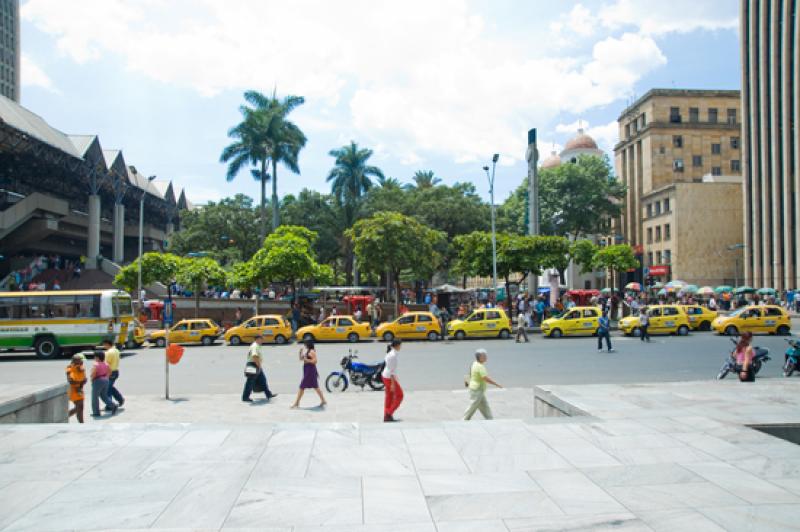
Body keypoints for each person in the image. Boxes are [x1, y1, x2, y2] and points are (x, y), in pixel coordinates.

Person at [464, 349, 502, 420]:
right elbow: (485, 378)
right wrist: (496, 384)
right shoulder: (480, 367)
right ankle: (464, 420)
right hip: (477, 390)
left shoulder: (474, 363)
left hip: (478, 389)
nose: (486, 357)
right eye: (484, 356)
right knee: (472, 406)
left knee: (485, 406)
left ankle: (490, 419)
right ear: (480, 357)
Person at [290, 340, 327, 408]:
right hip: (307, 370)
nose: (304, 345)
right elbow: (301, 359)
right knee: (316, 387)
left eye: (305, 344)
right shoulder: (308, 351)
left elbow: (315, 361)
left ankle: (296, 403)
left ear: (308, 344)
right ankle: (323, 400)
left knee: (302, 387)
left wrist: (307, 360)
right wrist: (300, 352)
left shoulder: (312, 351)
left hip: (310, 371)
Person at [242, 334, 277, 402]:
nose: (262, 341)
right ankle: (245, 397)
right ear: (258, 339)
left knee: (263, 380)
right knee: (250, 382)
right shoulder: (255, 346)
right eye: (262, 339)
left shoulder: (256, 346)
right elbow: (255, 356)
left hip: (256, 365)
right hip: (253, 365)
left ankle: (268, 394)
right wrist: (259, 366)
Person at [381, 338, 404, 422]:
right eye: (400, 345)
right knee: (400, 395)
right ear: (397, 346)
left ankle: (386, 416)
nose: (401, 347)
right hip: (389, 378)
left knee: (389, 397)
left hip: (385, 376)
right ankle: (388, 413)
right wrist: (393, 384)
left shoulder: (391, 353)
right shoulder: (393, 355)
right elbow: (391, 371)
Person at [90, 351, 117, 417]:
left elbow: (93, 374)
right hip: (105, 380)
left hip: (97, 380)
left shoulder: (96, 365)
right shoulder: (106, 364)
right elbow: (110, 372)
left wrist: (91, 379)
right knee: (104, 396)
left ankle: (96, 412)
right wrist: (106, 377)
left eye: (95, 357)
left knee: (94, 397)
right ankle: (113, 405)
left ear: (98, 358)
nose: (94, 358)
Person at [102, 339, 124, 409]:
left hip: (109, 372)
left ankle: (109, 405)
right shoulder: (116, 350)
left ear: (107, 344)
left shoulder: (108, 352)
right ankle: (120, 399)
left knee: (107, 389)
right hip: (116, 371)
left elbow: (106, 364)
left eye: (104, 344)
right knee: (110, 387)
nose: (103, 346)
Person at [66, 353, 87, 423]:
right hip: (73, 391)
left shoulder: (82, 368)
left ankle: (65, 416)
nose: (81, 362)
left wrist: (82, 382)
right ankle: (81, 423)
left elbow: (85, 379)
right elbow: (71, 381)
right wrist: (81, 382)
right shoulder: (69, 369)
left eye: (81, 361)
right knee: (80, 407)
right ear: (74, 361)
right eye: (79, 361)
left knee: (79, 407)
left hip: (80, 390)